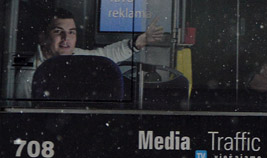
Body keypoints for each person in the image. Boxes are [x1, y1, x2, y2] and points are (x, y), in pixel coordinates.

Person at [18, 7, 163, 97]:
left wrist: (137, 43)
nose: (66, 38)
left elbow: (106, 55)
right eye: (58, 32)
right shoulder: (29, 74)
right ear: (43, 37)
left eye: (71, 32)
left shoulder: (77, 57)